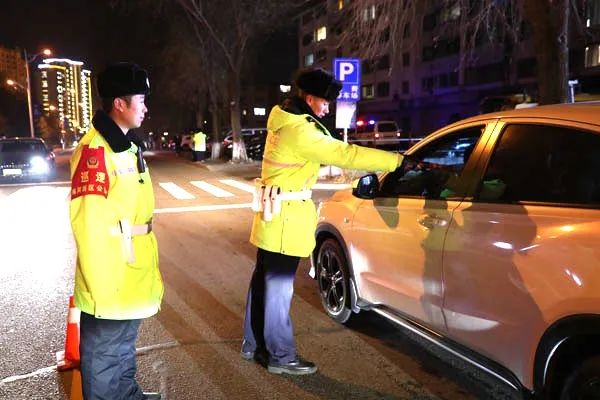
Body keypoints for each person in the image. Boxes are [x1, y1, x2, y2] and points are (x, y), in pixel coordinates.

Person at [241, 67, 404, 375]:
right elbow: (346, 154)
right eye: (325, 102)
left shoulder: (284, 120)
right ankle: (280, 356)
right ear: (310, 98)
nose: (327, 109)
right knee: (278, 291)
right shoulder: (300, 130)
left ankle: (253, 345)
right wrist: (395, 161)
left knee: (262, 283)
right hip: (285, 218)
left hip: (272, 215)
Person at [69, 62, 163, 400]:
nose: (146, 108)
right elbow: (88, 223)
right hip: (110, 273)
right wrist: (100, 286)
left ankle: (126, 394)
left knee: (123, 344)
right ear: (119, 104)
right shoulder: (96, 150)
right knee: (105, 354)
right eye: (141, 100)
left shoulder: (126, 145)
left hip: (131, 266)